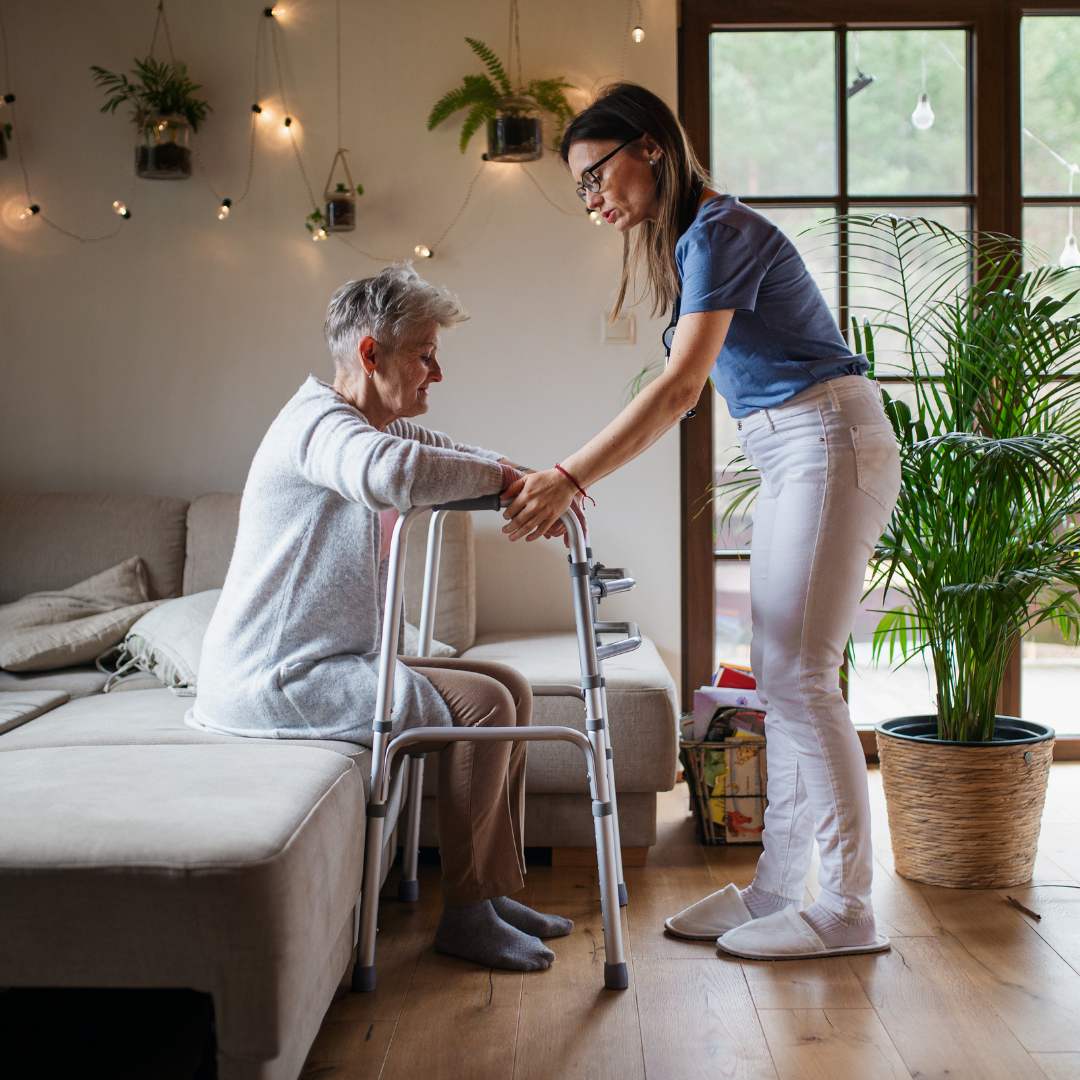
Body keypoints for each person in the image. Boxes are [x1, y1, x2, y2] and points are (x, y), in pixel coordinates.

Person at [502, 84, 901, 959]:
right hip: (799, 446)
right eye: (579, 190)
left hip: (828, 439)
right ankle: (772, 892)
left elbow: (682, 388)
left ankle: (846, 909)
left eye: (597, 174)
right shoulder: (694, 241)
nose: (593, 199)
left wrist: (570, 474)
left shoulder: (718, 230)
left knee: (800, 676)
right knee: (784, 674)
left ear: (649, 146)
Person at [189, 265, 572, 972]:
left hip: (331, 660)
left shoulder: (359, 422)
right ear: (371, 354)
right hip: (280, 678)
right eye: (424, 355)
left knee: (509, 688)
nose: (437, 372)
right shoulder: (320, 427)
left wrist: (521, 476)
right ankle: (465, 916)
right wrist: (508, 481)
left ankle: (487, 893)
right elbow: (390, 474)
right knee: (485, 706)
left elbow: (439, 451)